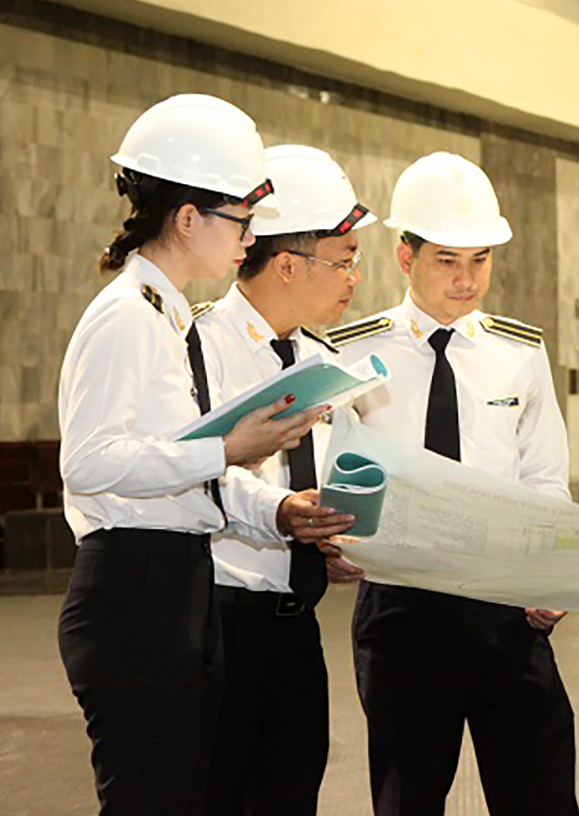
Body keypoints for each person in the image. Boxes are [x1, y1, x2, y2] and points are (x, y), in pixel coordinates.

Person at [56, 94, 347, 814]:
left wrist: (263, 491)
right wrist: (225, 450)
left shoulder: (163, 313)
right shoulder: (128, 314)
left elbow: (171, 460)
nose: (250, 237)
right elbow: (87, 461)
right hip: (135, 586)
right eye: (241, 220)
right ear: (188, 219)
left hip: (171, 583)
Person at [328, 151, 579, 816]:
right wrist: (338, 540)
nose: (467, 280)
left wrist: (550, 575)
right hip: (402, 608)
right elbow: (334, 472)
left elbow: (545, 479)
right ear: (405, 257)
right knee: (407, 797)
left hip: (503, 603)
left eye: (480, 259)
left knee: (541, 794)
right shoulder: (352, 353)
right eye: (446, 260)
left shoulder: (518, 352)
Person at [195, 145, 373, 815]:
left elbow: (329, 475)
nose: (355, 276)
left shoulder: (324, 362)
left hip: (297, 625)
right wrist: (280, 511)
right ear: (290, 263)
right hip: (219, 622)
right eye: (344, 259)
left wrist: (336, 535)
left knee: (292, 794)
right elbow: (196, 465)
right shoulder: (200, 346)